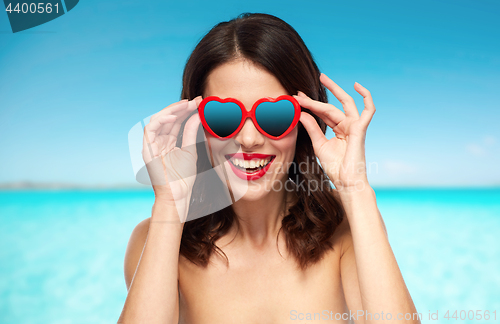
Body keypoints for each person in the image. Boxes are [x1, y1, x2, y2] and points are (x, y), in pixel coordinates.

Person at [118, 13, 420, 324]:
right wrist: (170, 205)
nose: (248, 139)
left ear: (303, 121)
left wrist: (355, 188)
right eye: (224, 117)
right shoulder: (155, 239)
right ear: (196, 124)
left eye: (273, 116)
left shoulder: (349, 227)